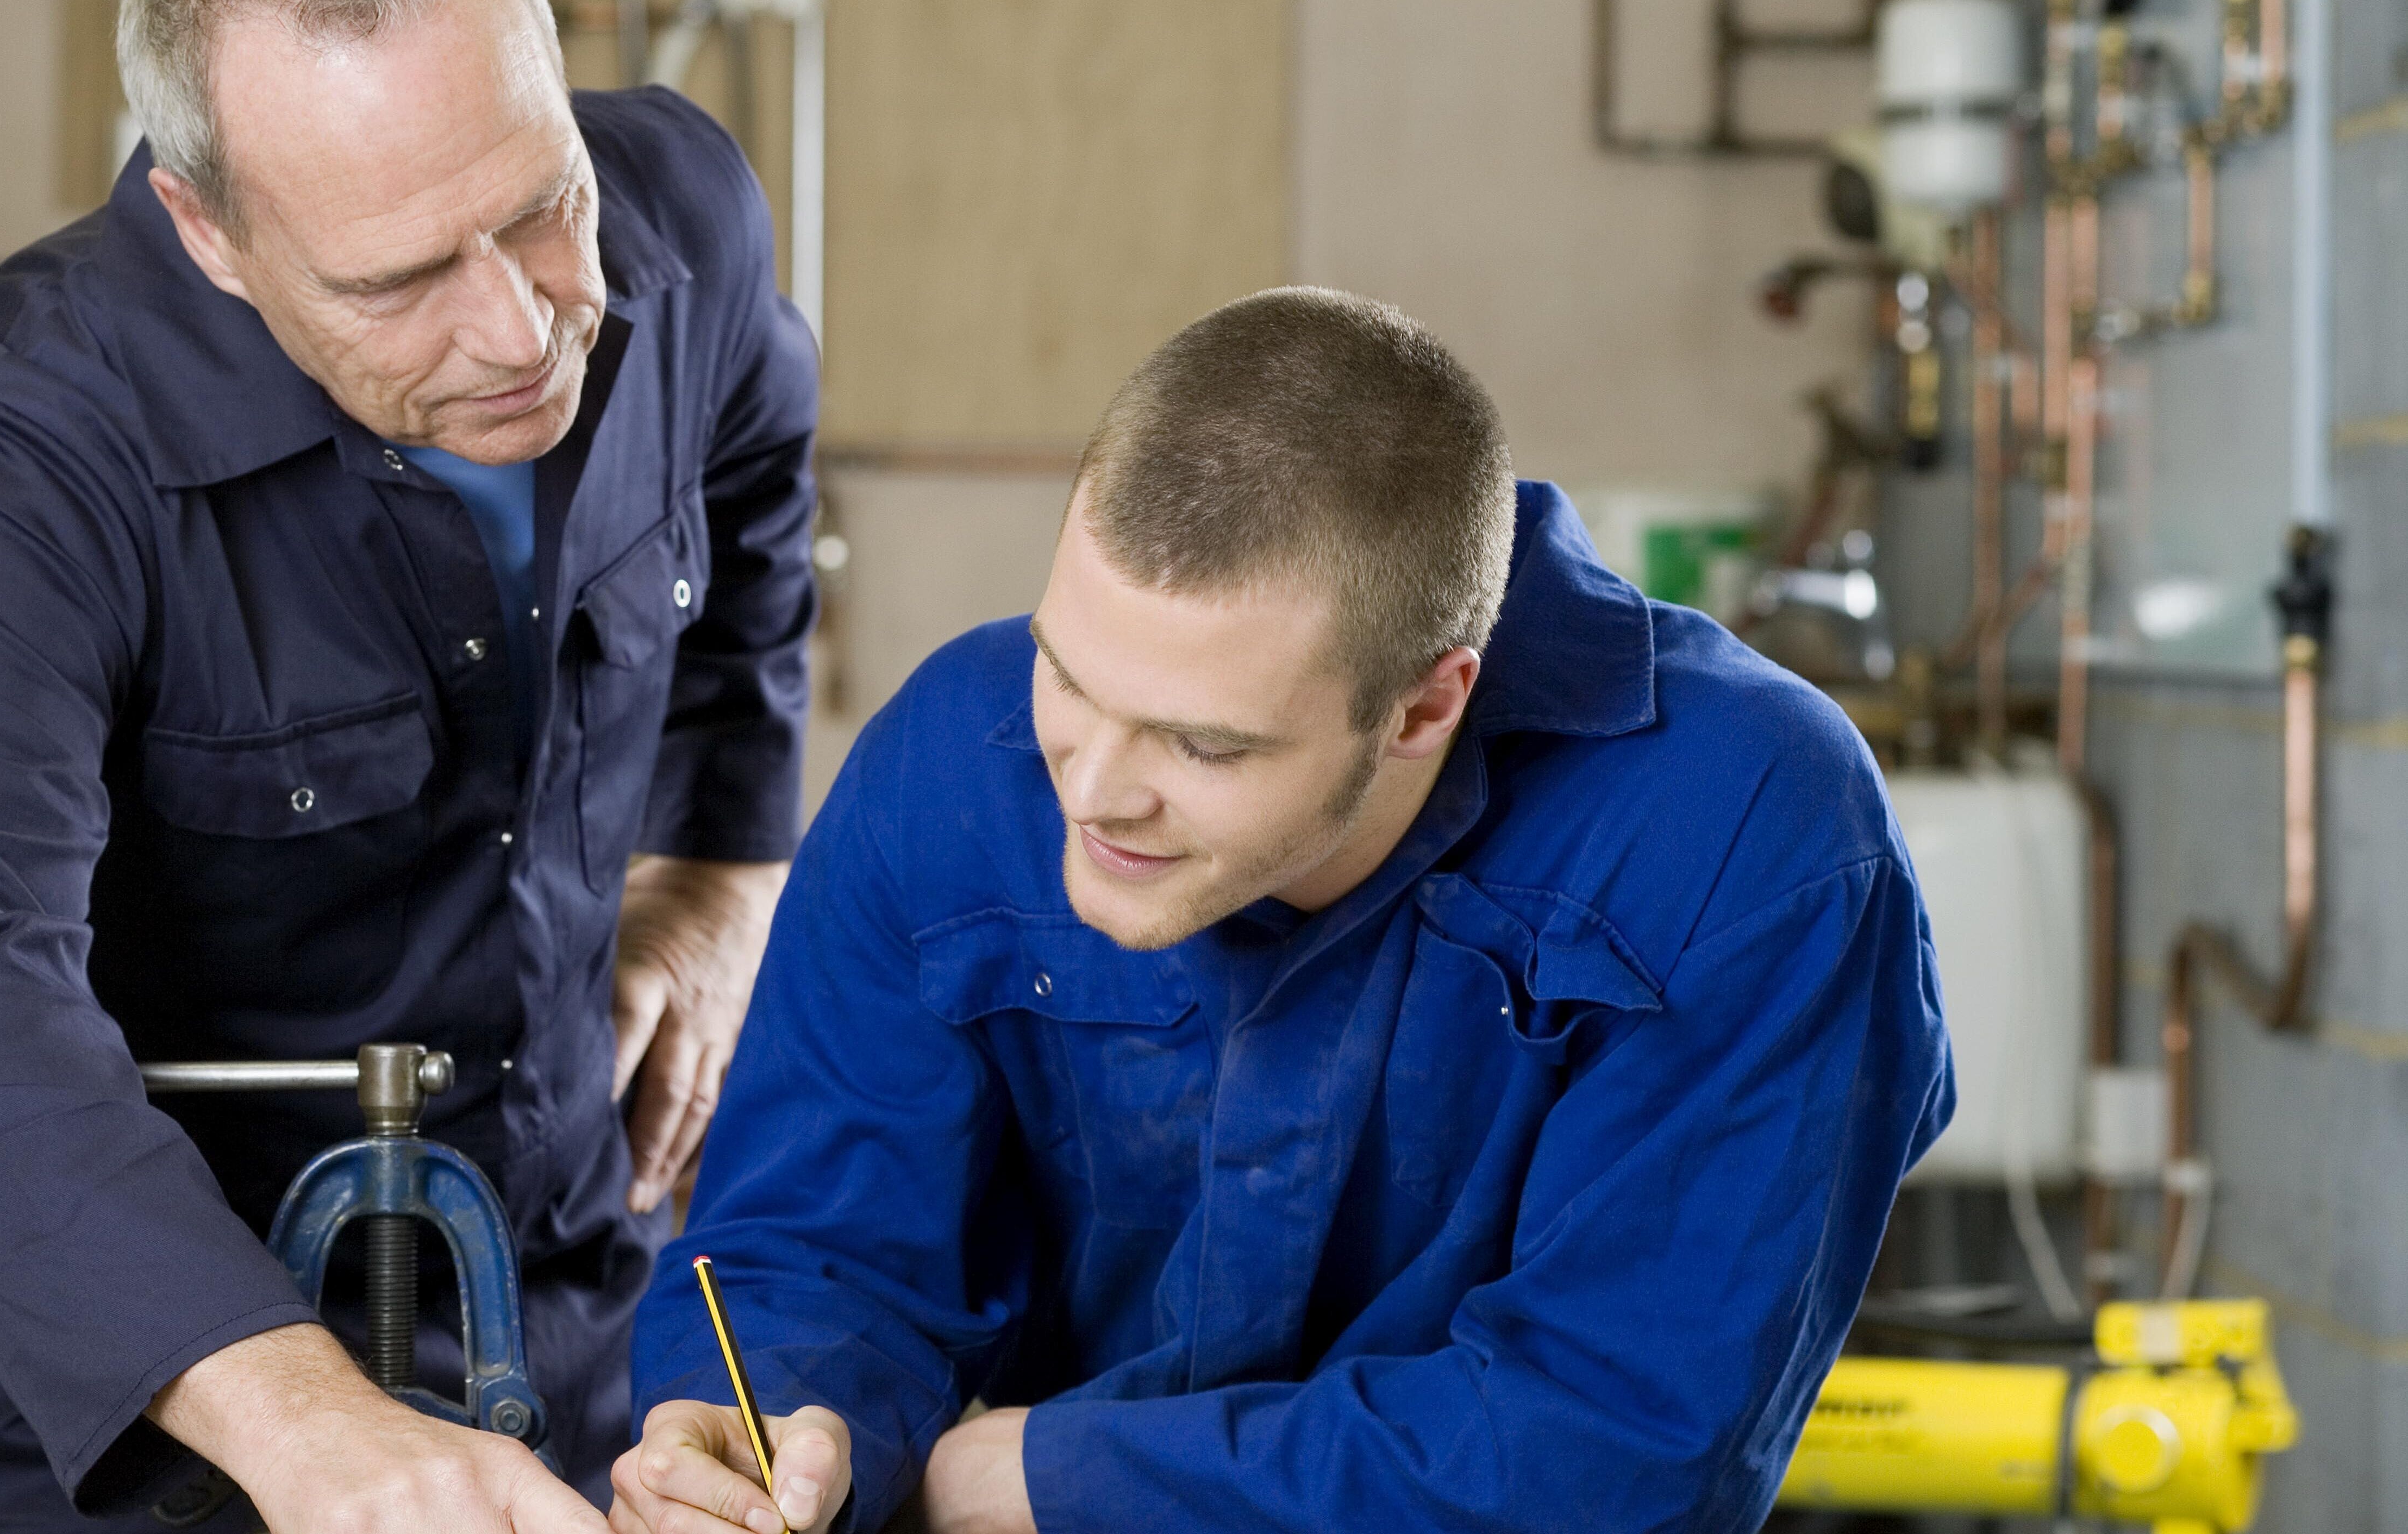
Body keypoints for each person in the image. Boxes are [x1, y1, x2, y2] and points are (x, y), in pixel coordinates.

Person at [0, 0, 816, 1534]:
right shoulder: (25, 453)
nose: (517, 330)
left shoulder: (686, 221)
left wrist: (716, 874)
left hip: (561, 1296)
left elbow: (760, 495)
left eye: (538, 208)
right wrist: (308, 1427)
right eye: (403, 280)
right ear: (209, 232)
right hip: (151, 1396)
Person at [611, 289, 1951, 1534]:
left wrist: (1036, 1476)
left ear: (1429, 704)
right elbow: (807, 1252)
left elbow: (1613, 1449)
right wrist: (758, 1434)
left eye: (1203, 747)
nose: (1090, 791)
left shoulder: (1749, 837)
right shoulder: (949, 763)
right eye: (1068, 676)